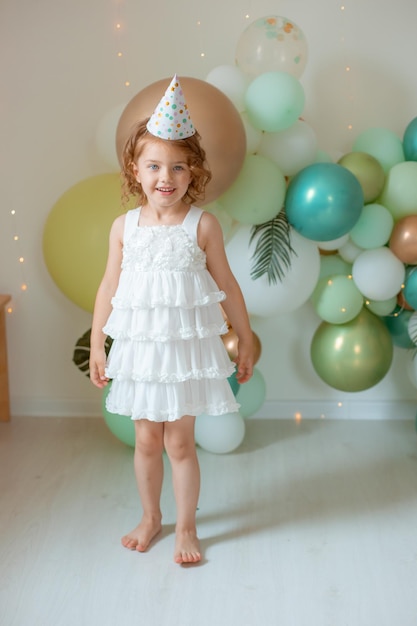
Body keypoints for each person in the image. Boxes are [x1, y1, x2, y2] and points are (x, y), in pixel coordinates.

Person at [89, 75, 253, 565]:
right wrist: (99, 344)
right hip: (142, 349)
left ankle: (186, 525)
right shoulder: (124, 228)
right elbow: (108, 287)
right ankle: (149, 517)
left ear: (192, 173)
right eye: (154, 165)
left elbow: (228, 285)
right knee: (146, 438)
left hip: (182, 351)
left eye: (177, 167)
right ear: (135, 171)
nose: (166, 176)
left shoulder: (201, 225)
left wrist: (243, 337)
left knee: (180, 441)